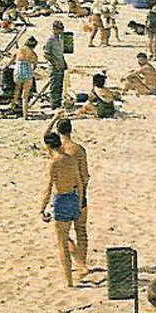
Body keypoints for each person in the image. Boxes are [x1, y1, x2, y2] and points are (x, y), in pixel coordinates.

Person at [38, 130, 89, 287]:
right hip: (74, 198)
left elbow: (48, 187)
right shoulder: (71, 159)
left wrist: (42, 208)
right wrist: (79, 201)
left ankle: (69, 281)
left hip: (61, 199)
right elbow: (80, 182)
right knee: (79, 232)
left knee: (62, 243)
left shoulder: (54, 162)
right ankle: (81, 265)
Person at [55, 118, 92, 279]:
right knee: (81, 230)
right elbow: (85, 175)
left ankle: (76, 261)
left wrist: (54, 118)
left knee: (63, 234)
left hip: (64, 195)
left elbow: (44, 137)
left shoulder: (58, 152)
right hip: (80, 193)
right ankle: (82, 263)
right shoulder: (79, 150)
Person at [45, 21, 68, 111]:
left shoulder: (60, 39)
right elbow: (47, 54)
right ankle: (54, 104)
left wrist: (64, 63)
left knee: (60, 85)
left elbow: (60, 53)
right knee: (54, 85)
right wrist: (55, 64)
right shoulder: (50, 40)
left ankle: (58, 103)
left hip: (61, 65)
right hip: (54, 67)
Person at [15, 36, 39, 119]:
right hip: (28, 73)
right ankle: (25, 115)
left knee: (16, 92)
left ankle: (13, 108)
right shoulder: (33, 54)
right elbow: (35, 65)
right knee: (25, 96)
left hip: (18, 72)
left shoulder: (19, 50)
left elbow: (11, 60)